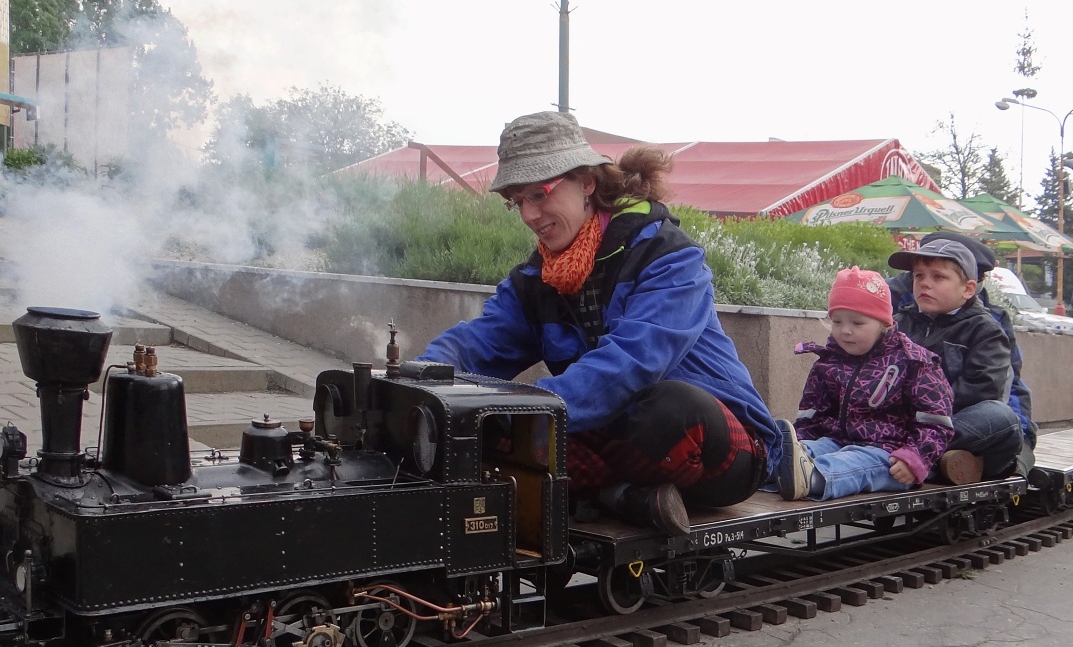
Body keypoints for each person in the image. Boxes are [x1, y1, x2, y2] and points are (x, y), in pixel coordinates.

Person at [419, 111, 779, 534]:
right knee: (482, 430)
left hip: (713, 444)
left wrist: (528, 411)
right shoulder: (535, 281)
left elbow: (632, 362)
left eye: (538, 193)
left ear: (587, 182)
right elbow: (476, 344)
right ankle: (622, 495)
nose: (530, 215)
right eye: (517, 201)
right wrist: (422, 378)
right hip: (613, 436)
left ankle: (602, 490)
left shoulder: (670, 257)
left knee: (667, 411)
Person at [777, 267, 954, 500]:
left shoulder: (914, 362)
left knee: (855, 462)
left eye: (857, 323)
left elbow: (936, 422)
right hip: (836, 442)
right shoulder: (829, 361)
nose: (845, 331)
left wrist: (916, 457)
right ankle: (777, 464)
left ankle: (814, 478)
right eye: (837, 322)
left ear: (884, 323)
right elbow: (813, 413)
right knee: (812, 449)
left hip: (890, 453)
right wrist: (802, 441)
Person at [887, 231, 1036, 478]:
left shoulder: (987, 326)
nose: (925, 283)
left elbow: (989, 389)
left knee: (1001, 417)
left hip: (951, 419)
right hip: (902, 420)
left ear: (970, 286)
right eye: (918, 275)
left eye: (939, 276)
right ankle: (928, 459)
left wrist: (925, 408)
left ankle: (921, 454)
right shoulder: (901, 318)